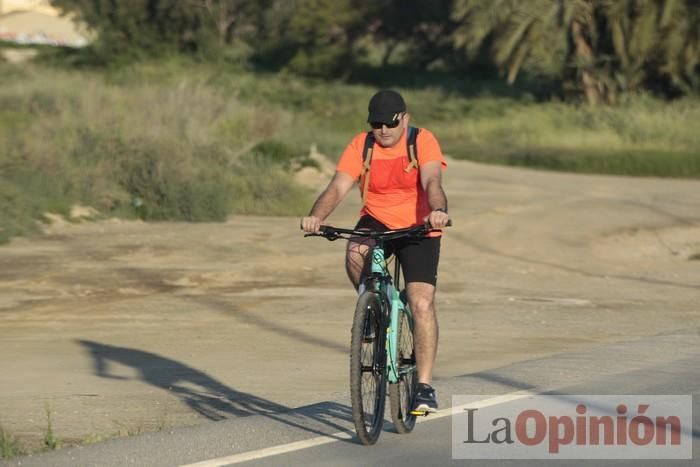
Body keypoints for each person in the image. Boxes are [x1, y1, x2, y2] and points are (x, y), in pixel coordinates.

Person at [300, 89, 449, 413]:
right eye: (377, 124)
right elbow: (338, 187)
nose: (383, 130)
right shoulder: (362, 145)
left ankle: (424, 386)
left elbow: (432, 181)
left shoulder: (421, 141)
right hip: (377, 220)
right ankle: (372, 304)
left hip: (418, 227)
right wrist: (316, 217)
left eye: (390, 124)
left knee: (421, 303)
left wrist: (437, 210)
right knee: (355, 251)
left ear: (404, 119)